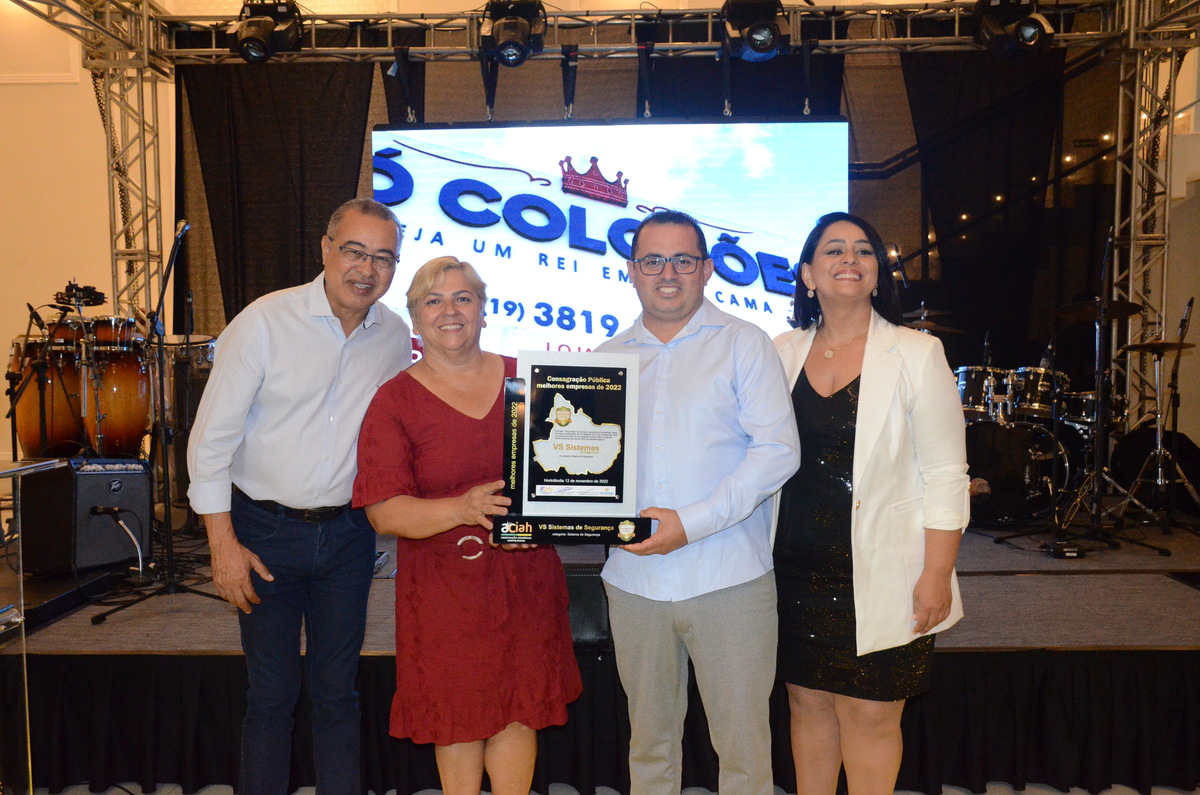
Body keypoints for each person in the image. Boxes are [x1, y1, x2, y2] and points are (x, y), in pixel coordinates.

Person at [187, 197, 412, 794]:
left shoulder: (395, 335)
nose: (367, 269)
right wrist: (222, 545)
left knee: (338, 693)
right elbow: (209, 443)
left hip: (349, 537)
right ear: (326, 250)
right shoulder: (264, 322)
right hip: (264, 535)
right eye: (354, 251)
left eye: (383, 258)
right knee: (271, 696)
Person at [353, 256, 582, 795]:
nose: (449, 311)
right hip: (443, 592)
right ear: (415, 319)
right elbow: (383, 511)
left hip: (526, 582)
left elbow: (569, 473)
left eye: (463, 298)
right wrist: (461, 509)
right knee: (457, 717)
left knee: (519, 712)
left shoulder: (529, 382)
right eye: (433, 301)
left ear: (483, 310)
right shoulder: (394, 400)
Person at [596, 210, 801, 795]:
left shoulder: (743, 343)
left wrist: (690, 523)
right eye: (653, 261)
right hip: (633, 583)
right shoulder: (604, 360)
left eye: (683, 260)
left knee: (743, 752)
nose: (668, 273)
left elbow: (778, 452)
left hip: (729, 580)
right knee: (650, 747)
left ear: (707, 269)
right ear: (631, 270)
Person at [772, 211, 969, 795]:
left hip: (889, 570)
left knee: (871, 715)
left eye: (863, 250)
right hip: (792, 569)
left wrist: (937, 573)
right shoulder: (778, 352)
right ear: (808, 274)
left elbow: (947, 474)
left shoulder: (917, 353)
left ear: (878, 273)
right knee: (807, 705)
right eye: (833, 250)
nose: (849, 259)